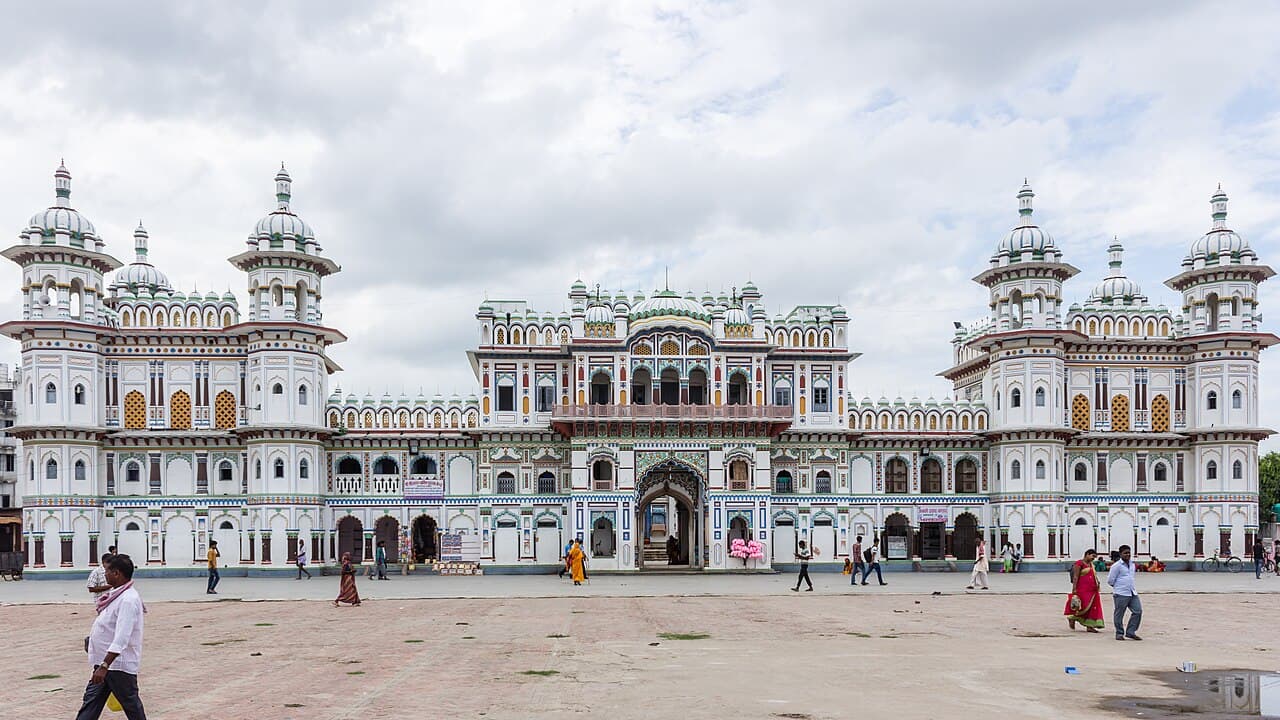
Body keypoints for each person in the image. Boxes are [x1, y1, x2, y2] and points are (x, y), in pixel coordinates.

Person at [75, 554, 147, 720]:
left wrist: (105, 665)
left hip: (116, 666)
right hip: (103, 663)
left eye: (106, 571)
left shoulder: (128, 599)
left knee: (131, 706)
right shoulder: (116, 595)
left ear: (117, 573)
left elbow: (122, 636)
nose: (104, 575)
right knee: (90, 703)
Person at [1064, 548, 1104, 633]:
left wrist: (1098, 583)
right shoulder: (1079, 563)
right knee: (1083, 606)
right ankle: (1072, 618)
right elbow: (1075, 577)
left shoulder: (1091, 565)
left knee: (1093, 607)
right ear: (1087, 554)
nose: (1094, 558)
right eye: (1093, 556)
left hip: (1093, 590)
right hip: (1082, 589)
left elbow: (1093, 575)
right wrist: (1074, 589)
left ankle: (1090, 626)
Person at [1107, 544, 1141, 641]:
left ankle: (1131, 632)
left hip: (1132, 592)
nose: (1127, 555)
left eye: (1129, 553)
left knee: (1138, 611)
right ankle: (1119, 633)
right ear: (1120, 554)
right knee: (1119, 614)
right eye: (1125, 553)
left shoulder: (1132, 564)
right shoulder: (1116, 566)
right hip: (1121, 593)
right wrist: (1118, 587)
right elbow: (1110, 580)